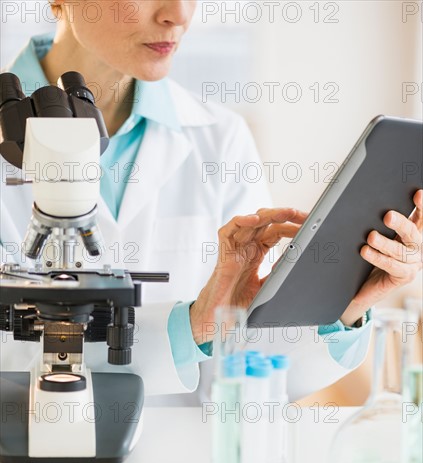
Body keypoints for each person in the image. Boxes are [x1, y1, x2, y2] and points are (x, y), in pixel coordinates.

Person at [0, 0, 421, 402]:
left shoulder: (219, 138)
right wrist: (188, 328)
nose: (178, 15)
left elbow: (251, 369)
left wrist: (346, 304)